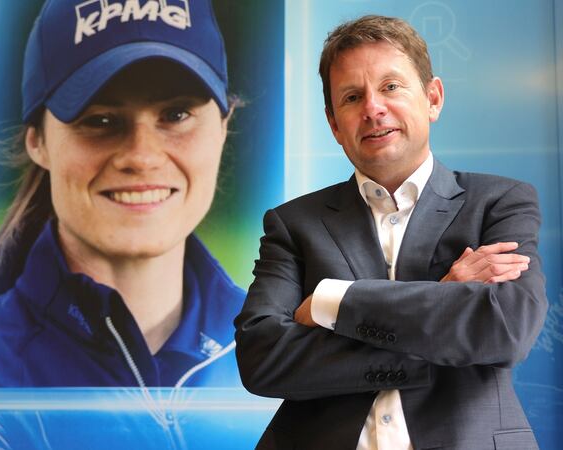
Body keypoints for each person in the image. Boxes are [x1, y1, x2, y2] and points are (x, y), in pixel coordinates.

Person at [234, 15, 548, 450]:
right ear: (334, 124)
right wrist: (444, 300)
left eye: (391, 87)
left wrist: (332, 300)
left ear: (433, 98)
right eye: (351, 96)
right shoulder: (293, 224)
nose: (372, 108)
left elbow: (505, 330)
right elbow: (262, 359)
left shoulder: (499, 202)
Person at [0, 0, 243, 388]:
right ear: (38, 142)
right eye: (100, 120)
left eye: (176, 114)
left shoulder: (292, 351)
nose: (142, 156)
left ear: (223, 128)